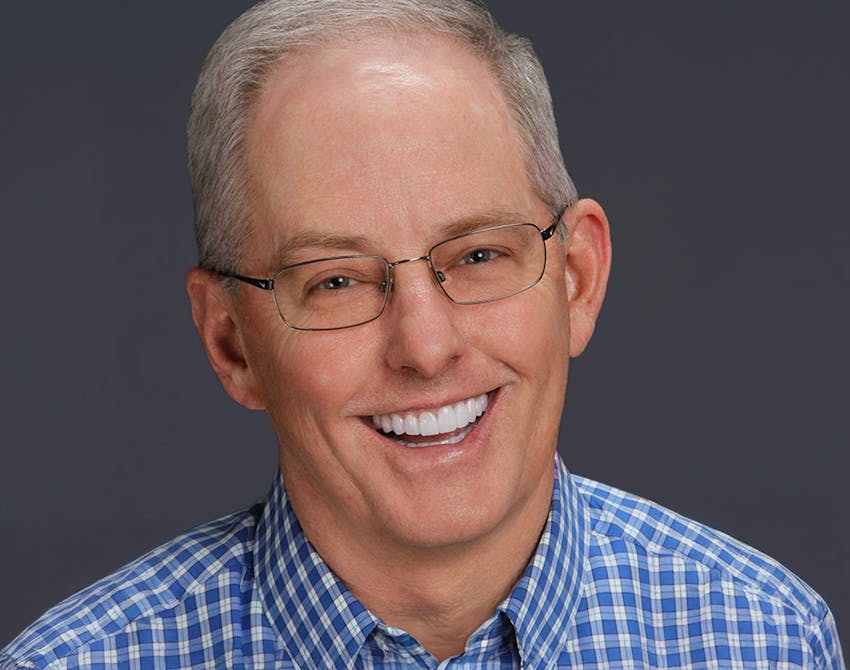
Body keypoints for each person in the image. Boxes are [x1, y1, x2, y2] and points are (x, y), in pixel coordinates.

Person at [1, 0, 844, 668]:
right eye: (334, 280)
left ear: (578, 279)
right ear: (231, 342)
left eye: (478, 255)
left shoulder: (766, 640)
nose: (427, 346)